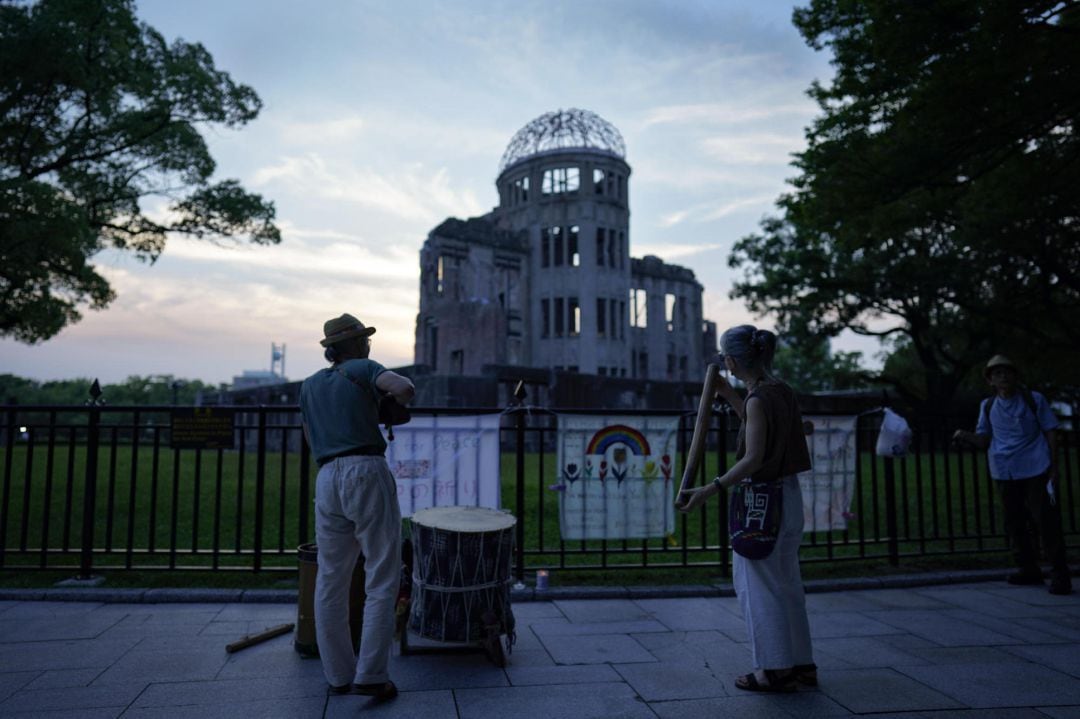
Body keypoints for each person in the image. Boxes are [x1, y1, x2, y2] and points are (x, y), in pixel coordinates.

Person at [676, 325, 815, 693]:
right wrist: (730, 394)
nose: (724, 363)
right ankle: (801, 663)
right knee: (787, 583)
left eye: (725, 358)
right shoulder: (779, 391)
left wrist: (710, 488)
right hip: (789, 498)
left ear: (733, 360)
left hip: (763, 502)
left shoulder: (759, 399)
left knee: (758, 587)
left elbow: (754, 456)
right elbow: (758, 425)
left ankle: (773, 669)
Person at [300, 313, 415, 700]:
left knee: (331, 578)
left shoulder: (310, 385)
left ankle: (337, 675)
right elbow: (405, 387)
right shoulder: (364, 368)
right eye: (364, 339)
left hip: (327, 477)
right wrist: (388, 398)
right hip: (365, 469)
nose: (368, 344)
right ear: (354, 345)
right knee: (382, 575)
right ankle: (372, 674)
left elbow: (310, 435)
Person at [953, 355, 1070, 595]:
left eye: (1007, 372)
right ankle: (1028, 568)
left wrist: (1054, 466)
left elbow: (1050, 432)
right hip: (1004, 470)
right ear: (990, 381)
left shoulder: (1033, 399)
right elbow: (984, 438)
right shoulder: (987, 406)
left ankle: (1060, 573)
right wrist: (964, 435)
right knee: (1015, 522)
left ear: (1016, 376)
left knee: (1045, 521)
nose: (1003, 377)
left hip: (1036, 467)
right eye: (997, 374)